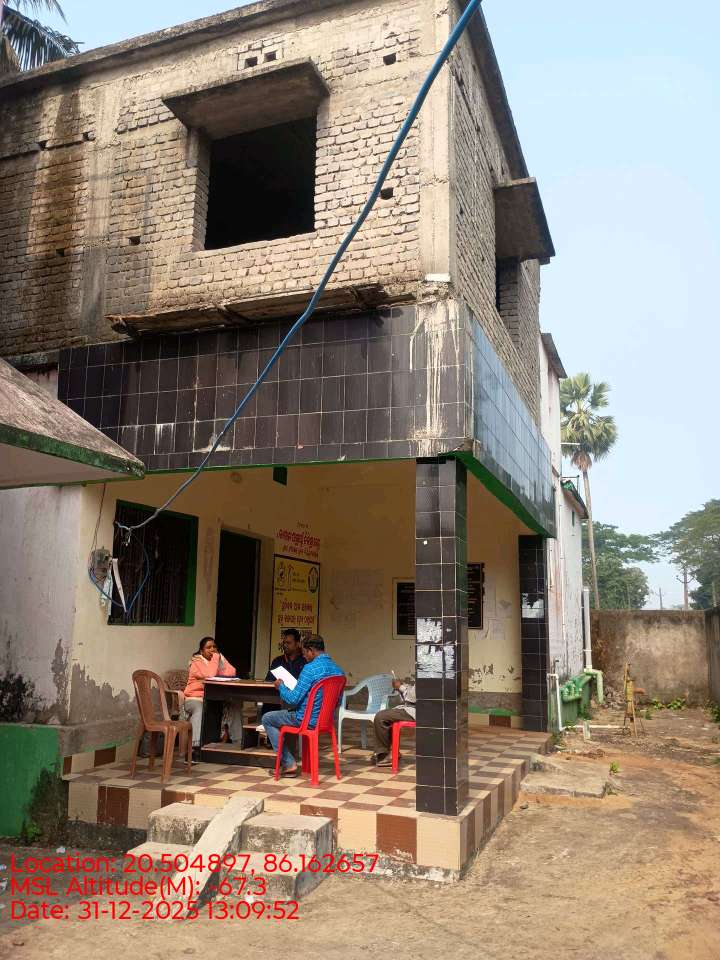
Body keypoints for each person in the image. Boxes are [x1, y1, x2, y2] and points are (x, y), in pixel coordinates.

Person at [262, 635, 344, 777]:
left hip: (305, 720)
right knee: (288, 713)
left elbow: (293, 699)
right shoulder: (338, 670)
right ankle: (291, 762)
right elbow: (338, 702)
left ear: (311, 650)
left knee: (268, 718)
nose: (304, 656)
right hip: (326, 721)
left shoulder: (309, 669)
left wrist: (281, 687)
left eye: (305, 652)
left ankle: (288, 763)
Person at [182, 637, 238, 760]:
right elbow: (210, 675)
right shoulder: (196, 662)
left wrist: (221, 660)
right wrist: (216, 658)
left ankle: (237, 742)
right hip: (194, 698)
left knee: (234, 705)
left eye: (214, 647)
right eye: (208, 647)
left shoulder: (217, 660)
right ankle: (194, 748)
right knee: (200, 708)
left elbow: (232, 672)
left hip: (213, 698)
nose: (212, 649)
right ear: (201, 651)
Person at [258, 628, 306, 722]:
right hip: (277, 696)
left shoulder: (305, 661)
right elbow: (268, 681)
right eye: (284, 643)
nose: (285, 645)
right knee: (267, 706)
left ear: (297, 644)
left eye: (288, 643)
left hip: (297, 700)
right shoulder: (277, 661)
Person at [371, 678, 416, 767]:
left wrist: (400, 687)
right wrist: (403, 686)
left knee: (381, 717)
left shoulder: (427, 674)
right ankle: (393, 752)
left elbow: (413, 697)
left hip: (416, 711)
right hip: (414, 709)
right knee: (389, 715)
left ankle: (384, 755)